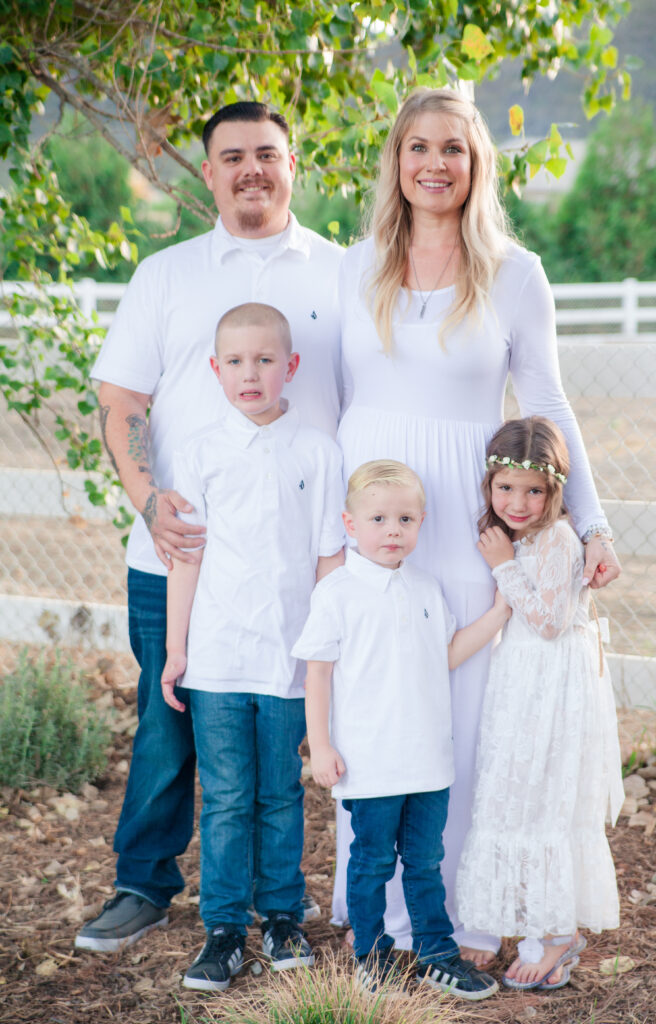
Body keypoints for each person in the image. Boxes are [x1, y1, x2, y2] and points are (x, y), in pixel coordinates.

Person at [333, 86, 622, 963]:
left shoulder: (513, 272)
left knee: (457, 718)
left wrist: (592, 519)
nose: (433, 163)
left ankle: (455, 916)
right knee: (375, 712)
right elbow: (332, 403)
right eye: (416, 147)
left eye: (451, 149)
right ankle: (374, 920)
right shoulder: (351, 268)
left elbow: (544, 402)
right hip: (368, 522)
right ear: (395, 161)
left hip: (462, 523)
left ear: (476, 164)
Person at [76, 101, 343, 953]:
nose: (250, 170)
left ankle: (315, 900)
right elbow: (121, 404)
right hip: (178, 555)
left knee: (296, 743)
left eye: (267, 153)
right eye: (232, 157)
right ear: (208, 171)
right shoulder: (168, 274)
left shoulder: (340, 273)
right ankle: (143, 885)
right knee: (170, 724)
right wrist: (150, 501)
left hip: (300, 565)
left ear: (292, 161)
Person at [159, 302, 345, 990]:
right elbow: (187, 558)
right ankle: (224, 929)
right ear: (215, 370)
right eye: (235, 361)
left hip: (289, 660)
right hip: (217, 657)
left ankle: (281, 914)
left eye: (265, 359)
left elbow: (330, 560)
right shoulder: (201, 452)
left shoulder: (317, 450)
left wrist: (324, 653)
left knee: (279, 795)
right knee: (228, 796)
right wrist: (177, 651)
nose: (250, 373)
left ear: (289, 366)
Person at [293, 459, 509, 1000]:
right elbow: (317, 673)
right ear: (350, 523)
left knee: (426, 860)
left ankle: (437, 952)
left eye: (406, 520)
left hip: (428, 761)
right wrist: (320, 745)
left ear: (421, 522)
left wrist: (500, 613)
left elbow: (447, 655)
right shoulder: (338, 592)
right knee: (369, 863)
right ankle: (372, 955)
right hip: (370, 762)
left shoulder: (425, 587)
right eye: (379, 519)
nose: (393, 530)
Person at [456, 416, 624, 990]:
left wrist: (502, 565)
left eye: (534, 490)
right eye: (506, 488)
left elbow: (550, 622)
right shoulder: (521, 533)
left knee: (544, 796)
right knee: (514, 791)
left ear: (555, 490)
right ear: (489, 485)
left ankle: (555, 934)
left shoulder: (553, 538)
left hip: (551, 683)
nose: (518, 502)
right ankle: (529, 924)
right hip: (522, 679)